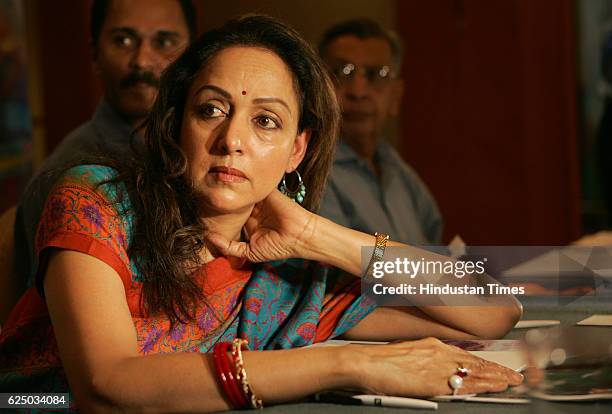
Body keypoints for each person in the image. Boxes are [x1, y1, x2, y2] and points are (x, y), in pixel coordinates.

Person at [0, 15, 522, 411]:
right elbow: (104, 387)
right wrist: (349, 361)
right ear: (177, 123)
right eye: (211, 110)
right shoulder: (95, 201)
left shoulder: (285, 275)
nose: (232, 140)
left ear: (297, 151)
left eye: (266, 121)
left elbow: (493, 309)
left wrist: (317, 234)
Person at [9, 0, 196, 314]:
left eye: (164, 42)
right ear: (94, 53)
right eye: (123, 40)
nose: (142, 61)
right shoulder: (74, 178)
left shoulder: (203, 156)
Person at [318, 19, 443, 246]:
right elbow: (340, 267)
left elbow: (437, 256)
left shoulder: (402, 175)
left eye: (377, 75)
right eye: (342, 72)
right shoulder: (311, 171)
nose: (358, 91)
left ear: (396, 96)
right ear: (318, 88)